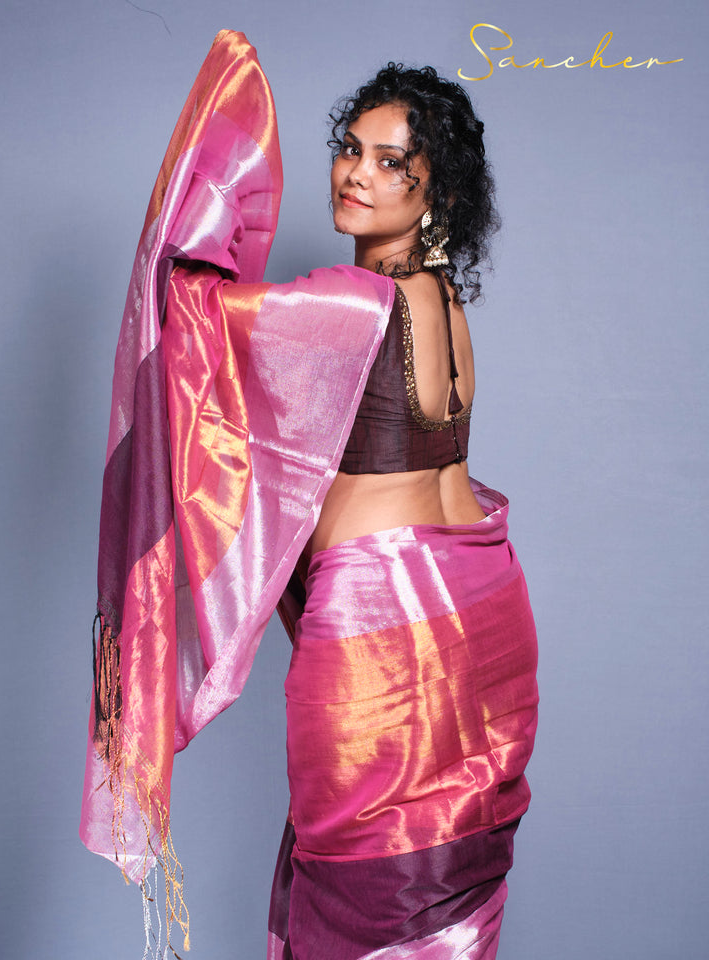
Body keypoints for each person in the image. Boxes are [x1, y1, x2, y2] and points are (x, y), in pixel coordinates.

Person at [81, 31, 538, 960]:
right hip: (490, 620)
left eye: (389, 162)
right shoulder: (448, 310)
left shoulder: (351, 305)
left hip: (383, 646)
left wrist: (199, 194)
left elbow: (192, 325)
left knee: (362, 898)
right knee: (439, 903)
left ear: (434, 191)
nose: (353, 175)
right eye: (348, 149)